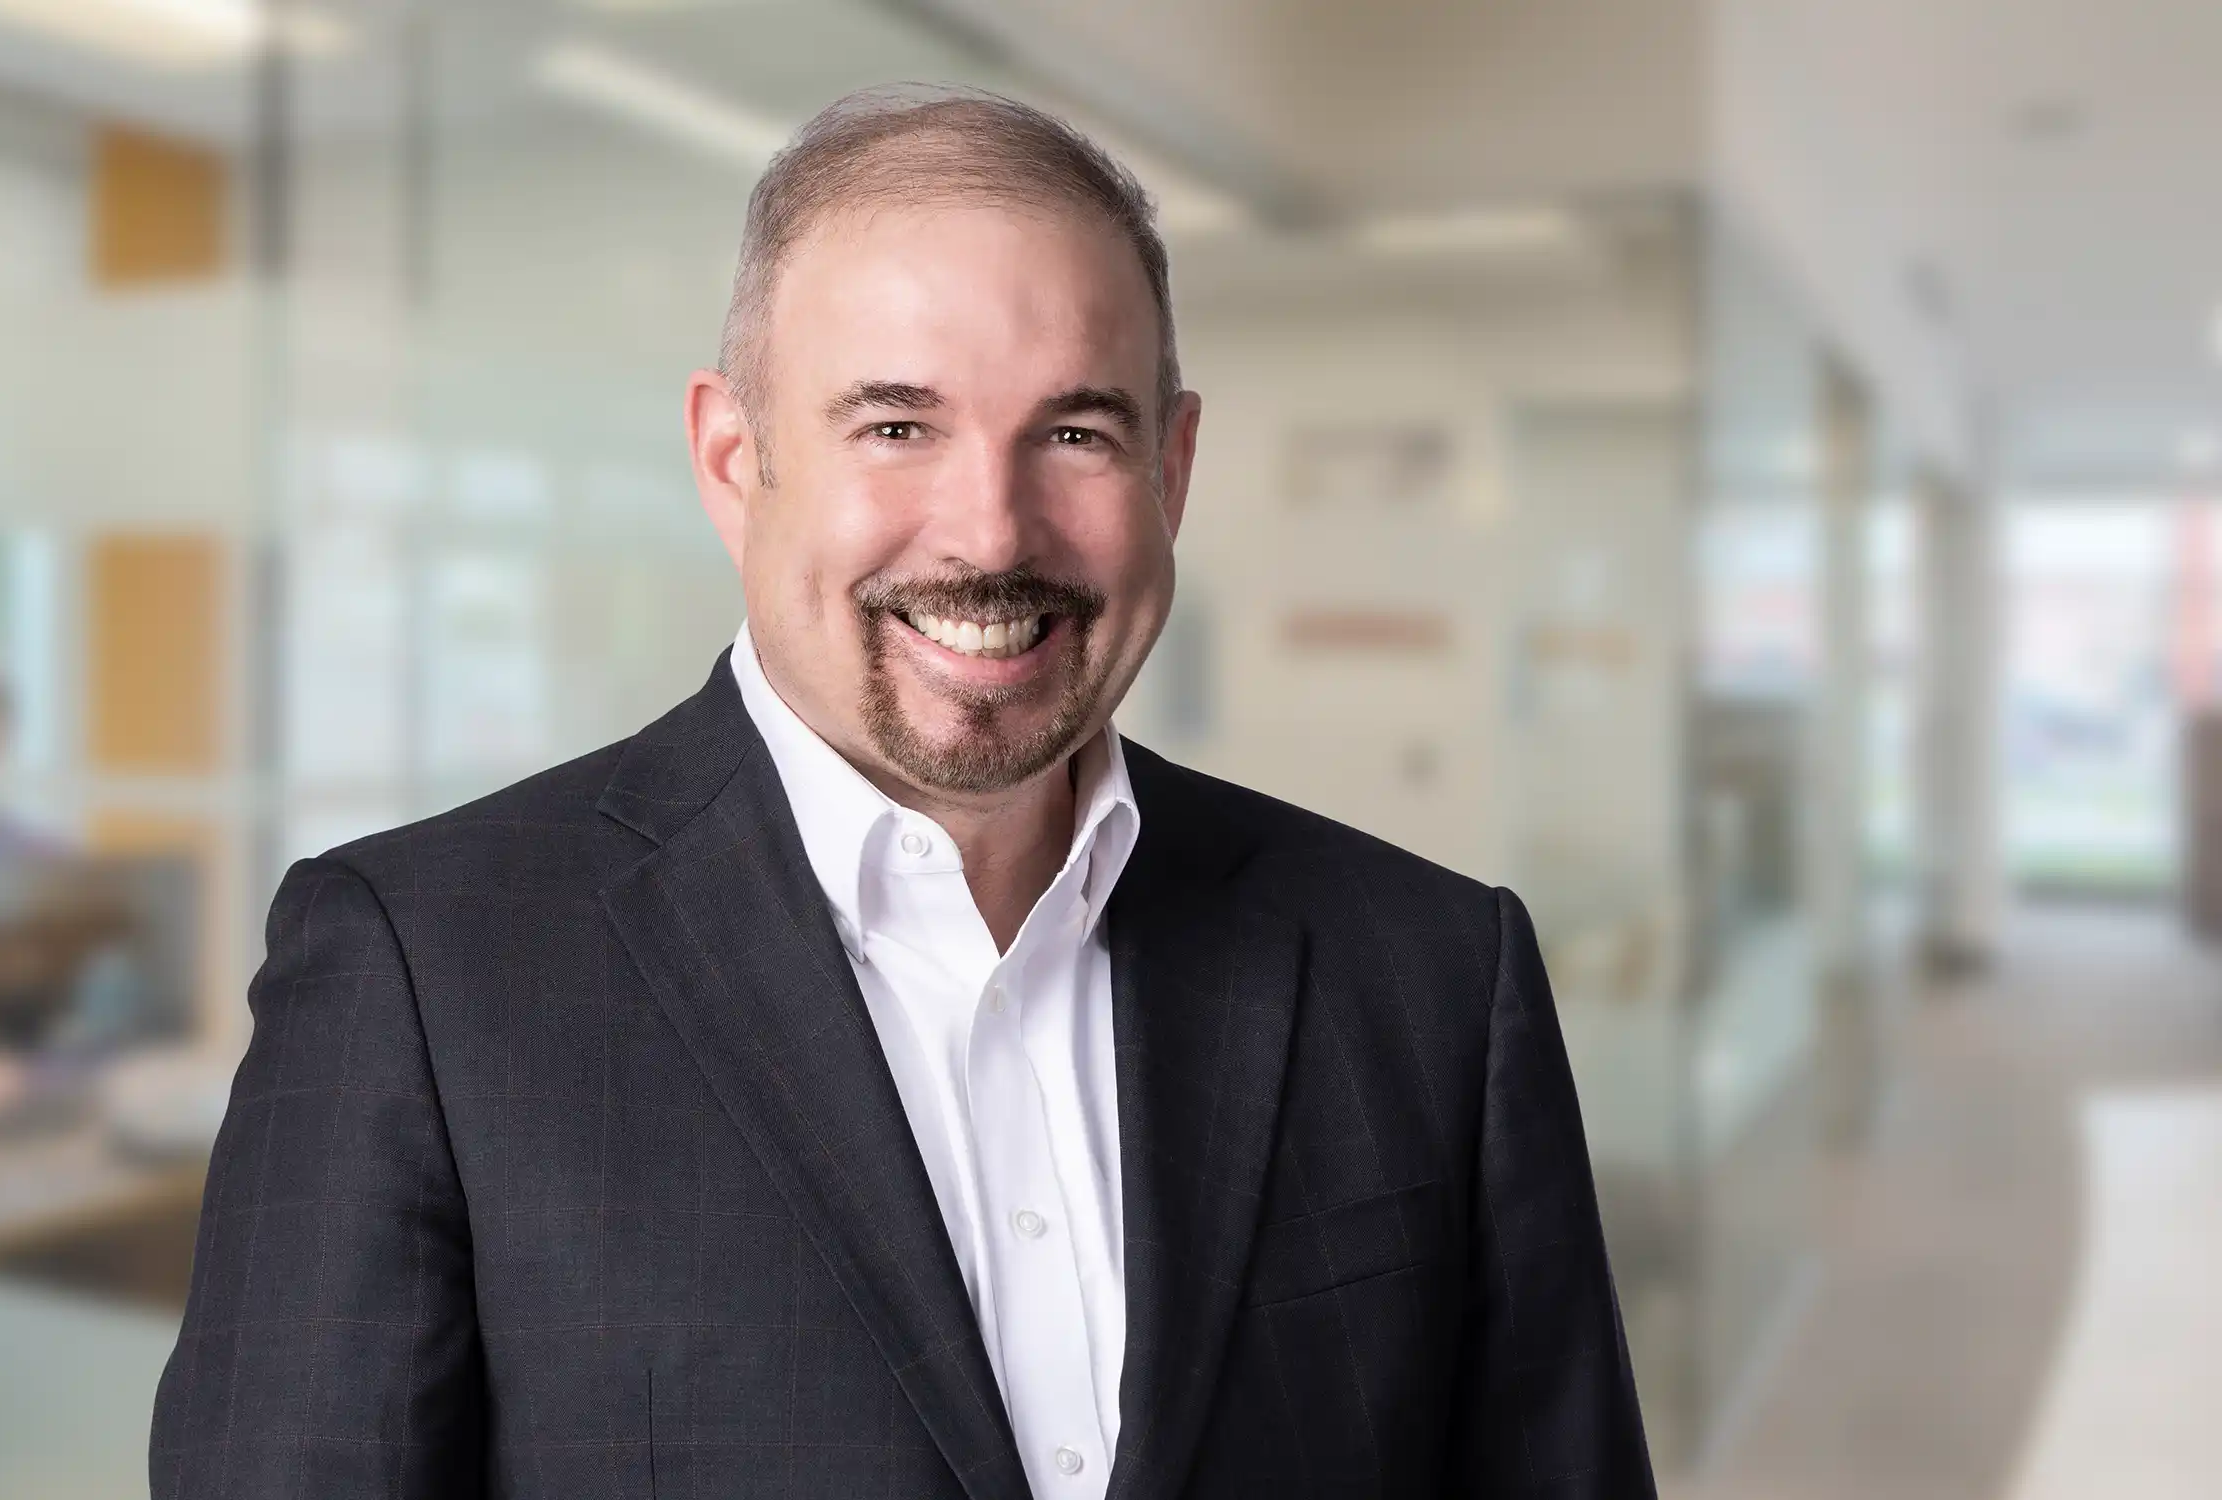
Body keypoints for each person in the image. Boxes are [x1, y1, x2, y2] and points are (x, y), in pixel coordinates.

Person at [151, 87, 1654, 1500]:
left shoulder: (1434, 978)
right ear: (735, 464)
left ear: (1174, 469)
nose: (988, 529)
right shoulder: (423, 973)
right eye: (895, 426)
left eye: (1075, 431)